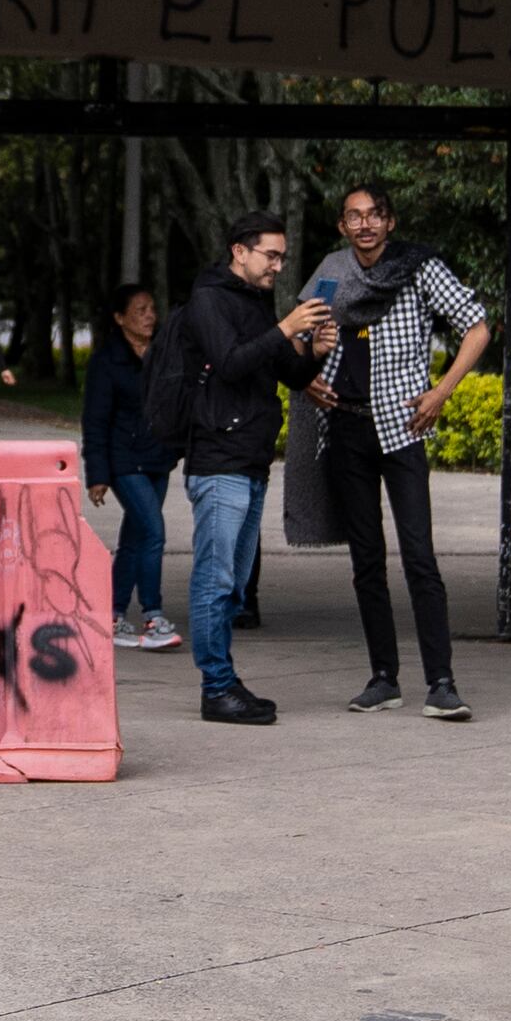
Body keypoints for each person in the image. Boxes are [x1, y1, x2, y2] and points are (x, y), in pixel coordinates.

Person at [309, 182, 495, 718]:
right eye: (353, 217)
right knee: (366, 561)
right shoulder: (331, 271)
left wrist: (441, 392)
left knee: (420, 558)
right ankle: (383, 678)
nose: (364, 225)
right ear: (342, 226)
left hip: (403, 428)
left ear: (390, 221)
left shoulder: (419, 267)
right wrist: (306, 380)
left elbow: (477, 328)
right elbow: (301, 335)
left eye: (374, 215)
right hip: (345, 428)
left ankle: (441, 682)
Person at [164, 212, 329, 724]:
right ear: (240, 251)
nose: (278, 266)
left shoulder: (256, 305)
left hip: (252, 459)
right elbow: (231, 362)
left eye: (282, 256)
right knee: (214, 581)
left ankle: (226, 680)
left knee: (235, 585)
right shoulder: (209, 299)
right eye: (270, 255)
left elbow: (285, 370)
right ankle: (216, 688)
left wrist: (315, 352)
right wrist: (284, 328)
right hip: (218, 458)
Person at [84, 286, 181, 649]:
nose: (149, 316)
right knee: (154, 532)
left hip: (158, 457)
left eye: (152, 308)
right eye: (140, 310)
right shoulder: (107, 361)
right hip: (124, 459)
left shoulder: (162, 354)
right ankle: (153, 616)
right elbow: (94, 420)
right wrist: (97, 475)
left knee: (134, 538)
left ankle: (113, 614)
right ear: (120, 318)